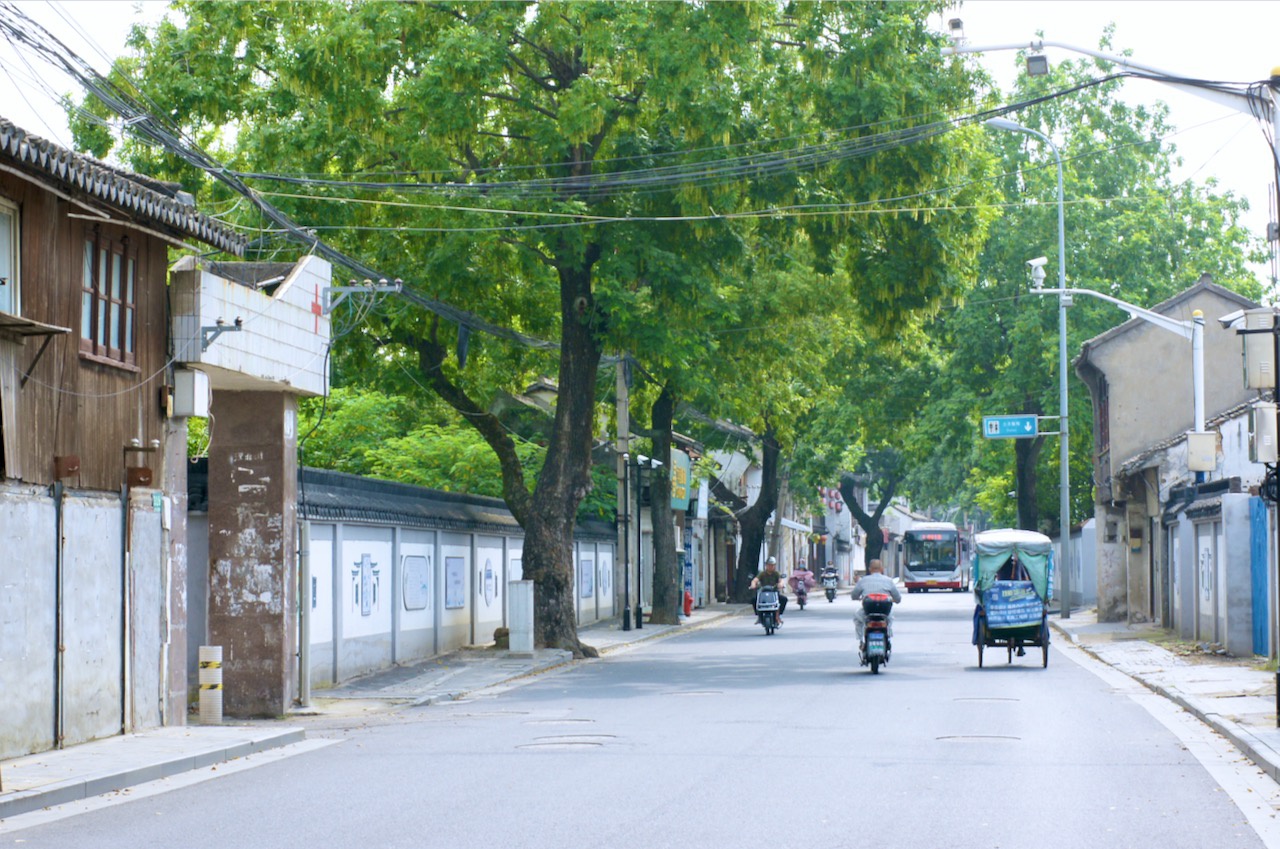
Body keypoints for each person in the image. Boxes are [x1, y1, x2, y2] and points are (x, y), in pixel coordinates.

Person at [850, 559, 901, 646]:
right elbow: (898, 598)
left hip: (867, 612)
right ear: (882, 569)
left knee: (857, 617)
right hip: (885, 612)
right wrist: (894, 600)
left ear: (870, 569)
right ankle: (888, 634)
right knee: (890, 618)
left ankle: (861, 640)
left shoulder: (863, 580)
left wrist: (858, 598)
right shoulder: (889, 581)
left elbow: (854, 595)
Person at [750, 556, 788, 624]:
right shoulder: (762, 573)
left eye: (772, 565)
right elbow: (755, 580)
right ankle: (759, 616)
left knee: (784, 599)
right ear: (766, 565)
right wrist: (753, 584)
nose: (771, 567)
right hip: (763, 593)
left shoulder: (776, 573)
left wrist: (781, 584)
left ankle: (778, 615)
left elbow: (781, 580)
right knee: (753, 600)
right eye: (769, 565)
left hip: (774, 592)